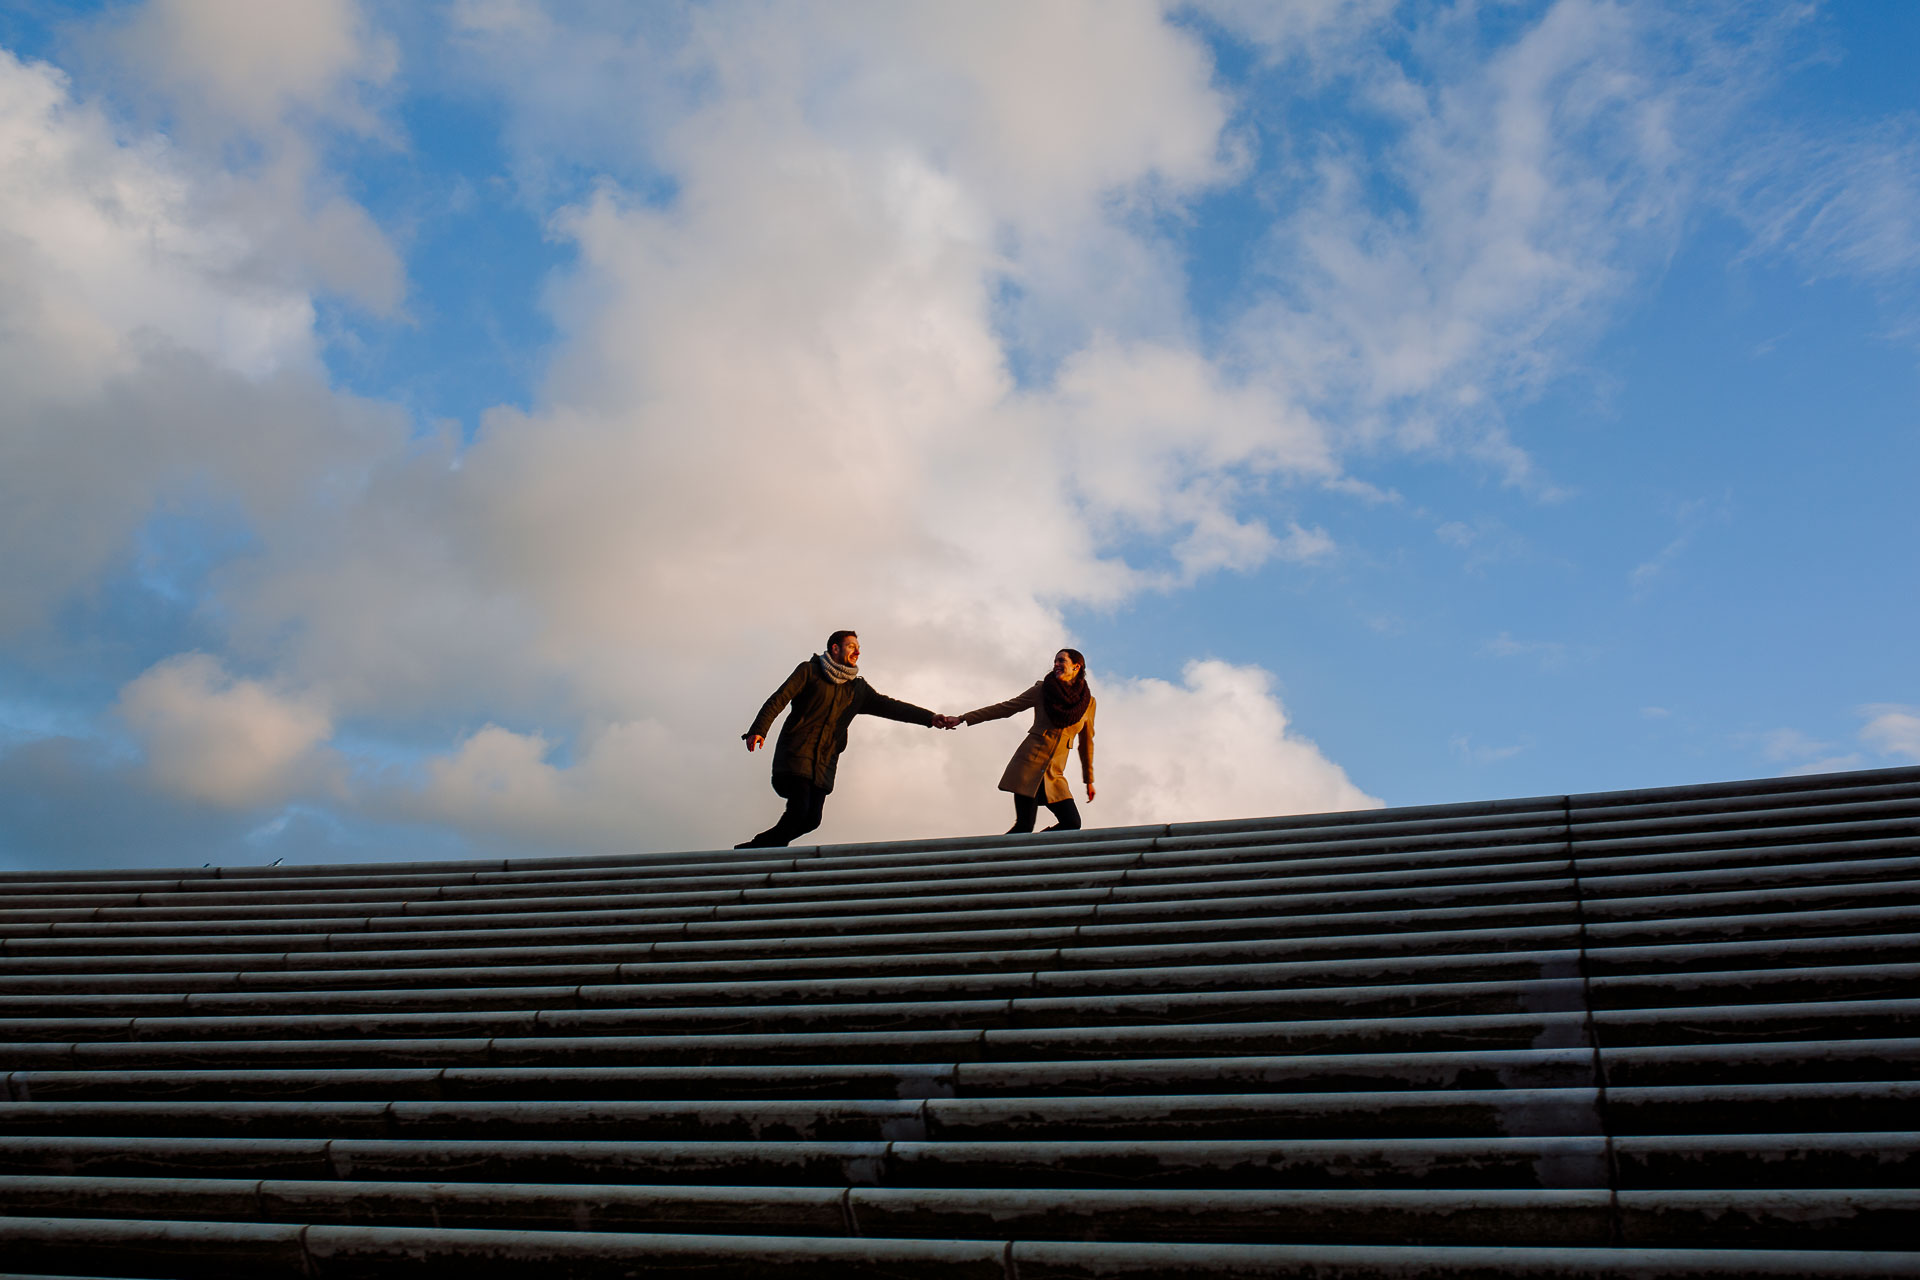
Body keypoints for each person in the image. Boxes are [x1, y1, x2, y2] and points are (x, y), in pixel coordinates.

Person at [737, 630, 954, 848]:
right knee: (799, 810)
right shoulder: (809, 671)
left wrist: (929, 717)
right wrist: (759, 729)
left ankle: (757, 848)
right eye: (851, 646)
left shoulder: (857, 689)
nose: (857, 652)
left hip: (824, 761)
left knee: (812, 820)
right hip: (796, 754)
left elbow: (891, 707)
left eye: (858, 648)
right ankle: (762, 854)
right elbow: (779, 698)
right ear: (835, 648)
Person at [958, 648, 1096, 834]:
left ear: (1076, 666)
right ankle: (992, 857)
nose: (1056, 664)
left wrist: (1089, 780)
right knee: (1024, 826)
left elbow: (1086, 742)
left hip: (1054, 776)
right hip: (1028, 767)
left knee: (1071, 823)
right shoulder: (1042, 690)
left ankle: (1033, 854)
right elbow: (1006, 708)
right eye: (1055, 661)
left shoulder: (1088, 703)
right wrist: (963, 718)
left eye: (1061, 661)